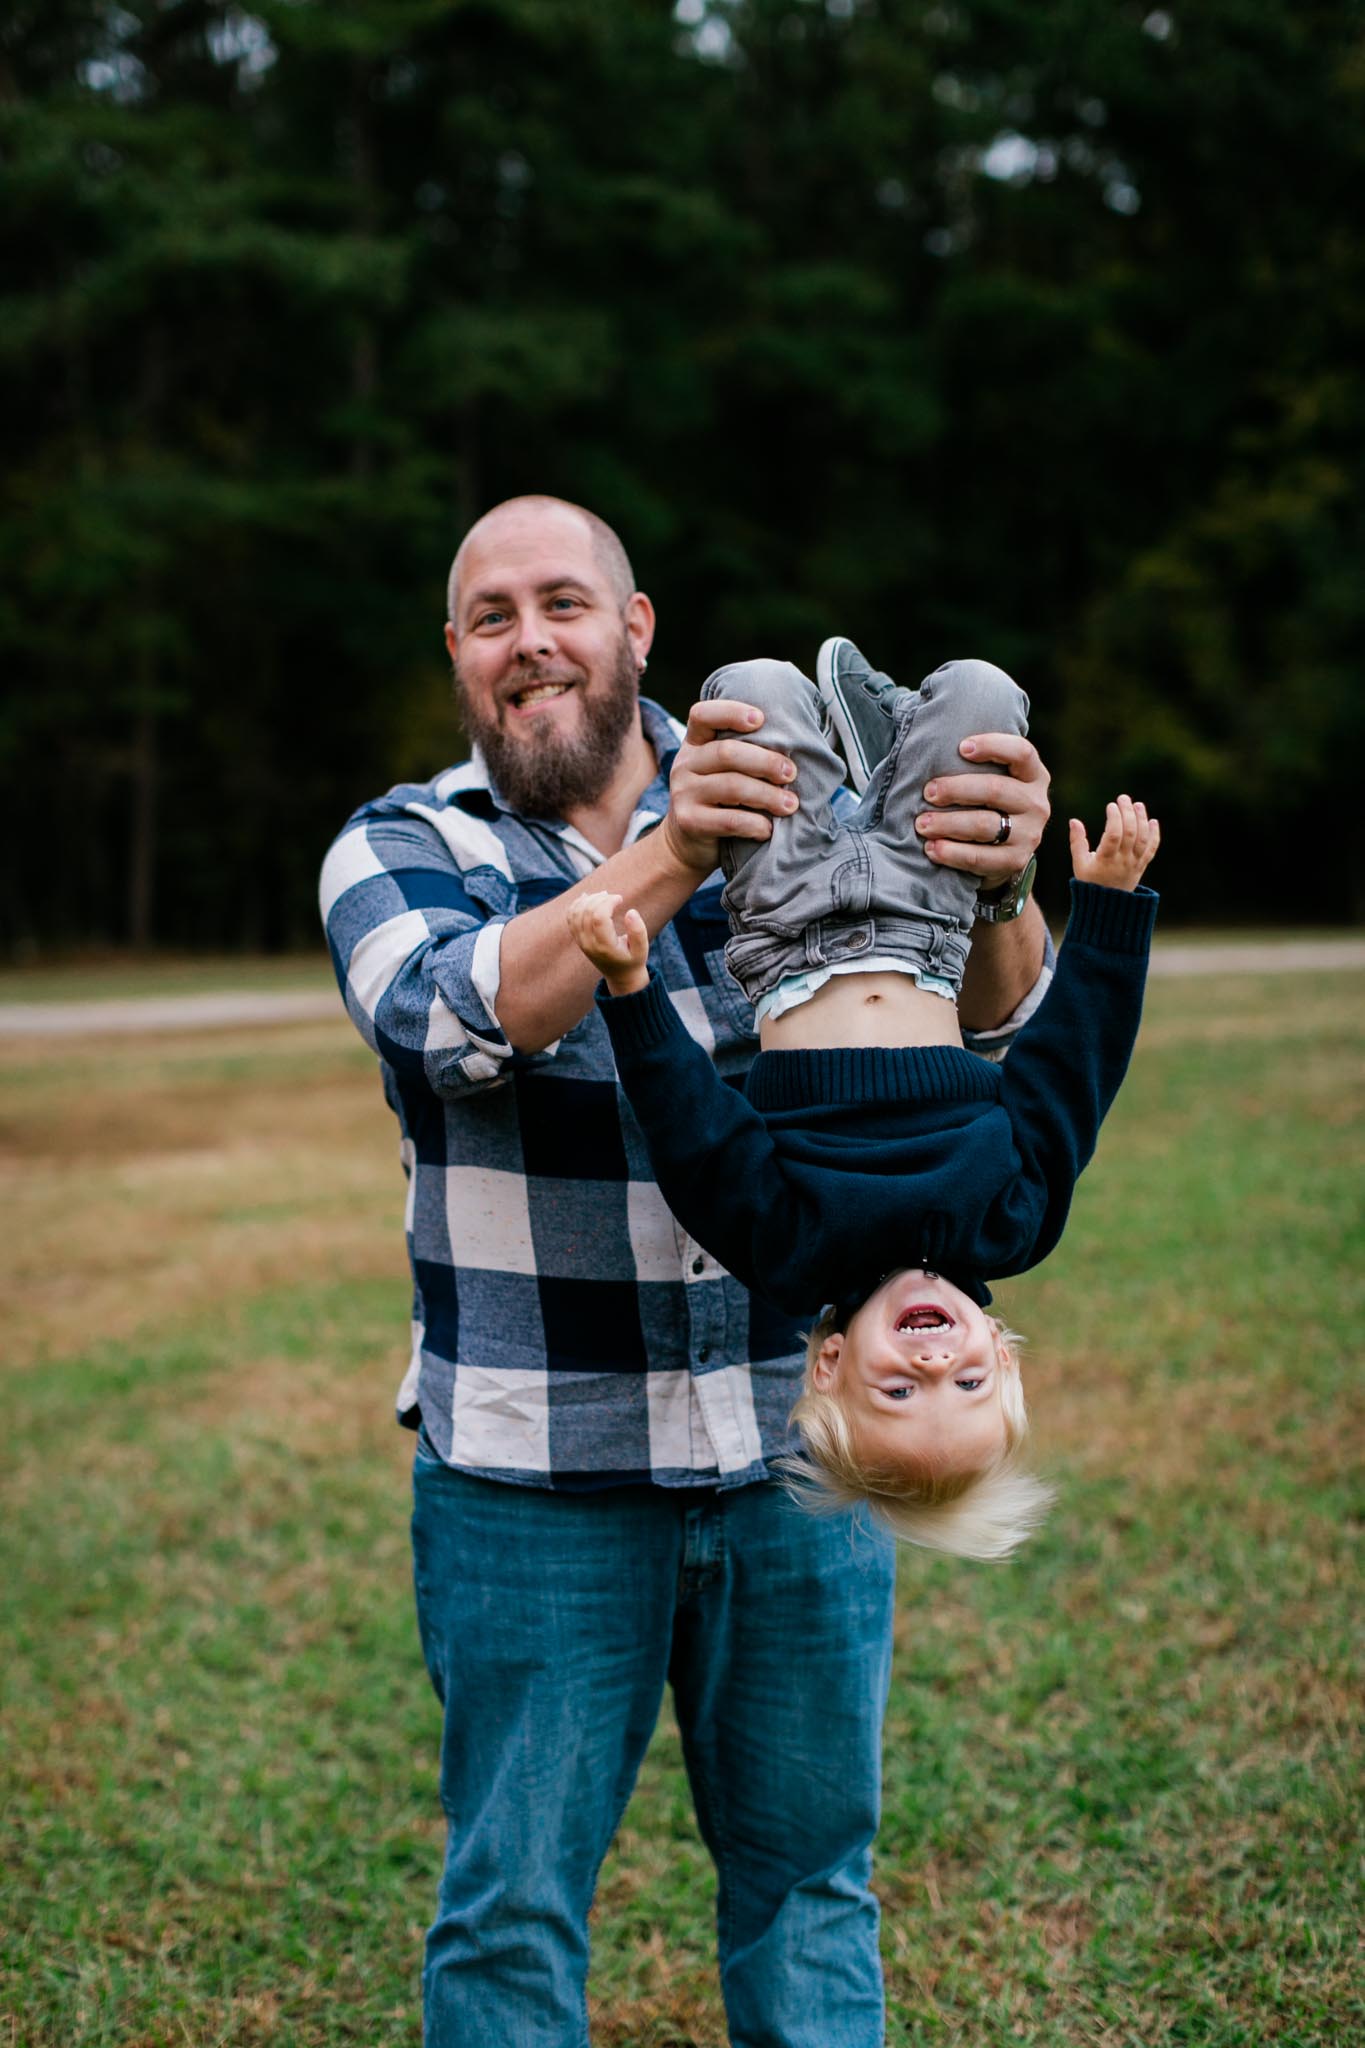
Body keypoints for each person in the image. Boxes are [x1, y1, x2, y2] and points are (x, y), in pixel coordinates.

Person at [319, 495, 1054, 2046]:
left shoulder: (783, 782)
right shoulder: (404, 843)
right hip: (535, 1477)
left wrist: (1007, 880)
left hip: (793, 1454)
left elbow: (989, 1030)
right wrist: (670, 859)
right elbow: (449, 1021)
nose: (533, 642)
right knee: (511, 1913)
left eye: (564, 603)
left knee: (808, 1888)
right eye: (494, 616)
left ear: (634, 627)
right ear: (458, 654)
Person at [568, 653, 1160, 1563]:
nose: (933, 1368)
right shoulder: (1011, 1221)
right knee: (981, 692)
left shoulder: (792, 1255)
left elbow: (692, 1134)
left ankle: (873, 761)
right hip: (932, 911)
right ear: (999, 1349)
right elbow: (1073, 1072)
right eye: (967, 1383)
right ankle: (894, 755)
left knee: (754, 689)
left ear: (831, 1366)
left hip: (784, 919)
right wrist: (1109, 911)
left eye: (898, 1396)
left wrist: (631, 988)